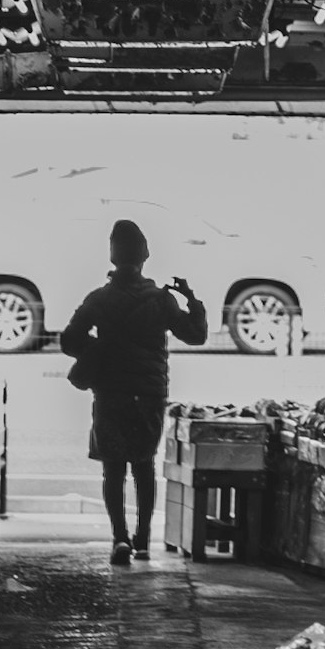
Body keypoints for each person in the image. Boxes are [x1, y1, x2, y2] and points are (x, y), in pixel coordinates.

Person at [60, 218, 204, 564]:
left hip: (110, 393)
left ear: (112, 256)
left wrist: (97, 349)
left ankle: (119, 540)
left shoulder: (98, 299)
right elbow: (195, 335)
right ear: (145, 256)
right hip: (150, 393)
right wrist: (192, 299)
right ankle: (142, 540)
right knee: (144, 466)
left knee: (113, 469)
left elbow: (69, 341)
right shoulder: (161, 300)